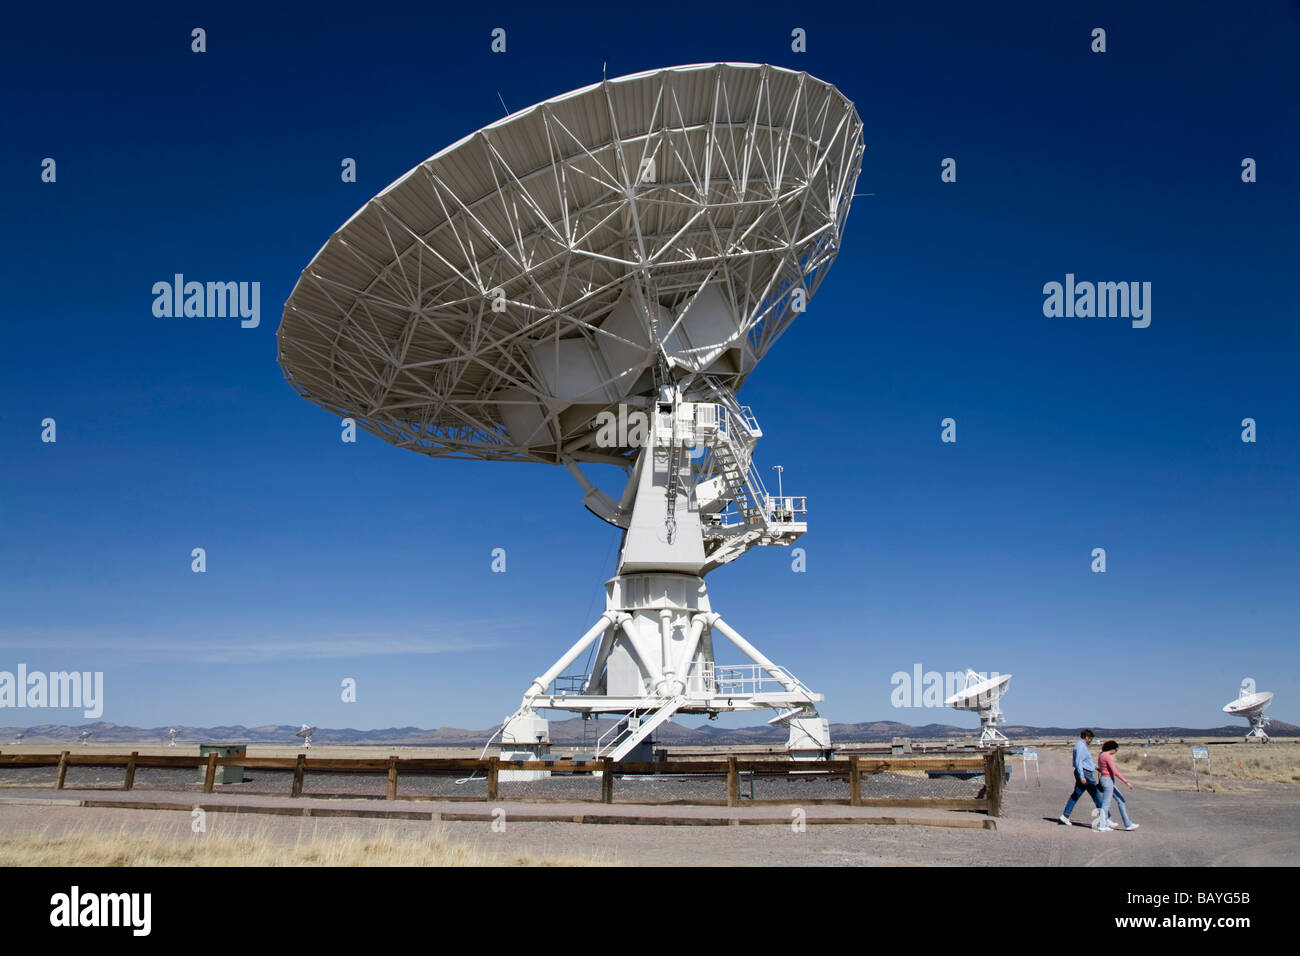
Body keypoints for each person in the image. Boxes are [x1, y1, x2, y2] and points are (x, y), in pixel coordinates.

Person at [1058, 729, 1104, 827]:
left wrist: (1097, 768)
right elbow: (1079, 762)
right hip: (1085, 774)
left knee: (1076, 794)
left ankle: (1065, 816)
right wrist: (1082, 776)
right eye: (1090, 739)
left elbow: (1087, 762)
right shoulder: (1080, 746)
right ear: (1087, 737)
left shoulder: (1082, 746)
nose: (1091, 741)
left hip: (1084, 772)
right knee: (1096, 795)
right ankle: (1105, 818)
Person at [1097, 740, 1139, 831]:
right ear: (1112, 749)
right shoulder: (1107, 756)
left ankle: (1128, 824)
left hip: (1105, 780)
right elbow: (1114, 771)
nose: (1115, 752)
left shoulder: (1101, 754)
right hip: (1108, 781)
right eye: (1116, 750)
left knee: (1120, 800)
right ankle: (1102, 825)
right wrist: (1126, 782)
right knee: (1106, 803)